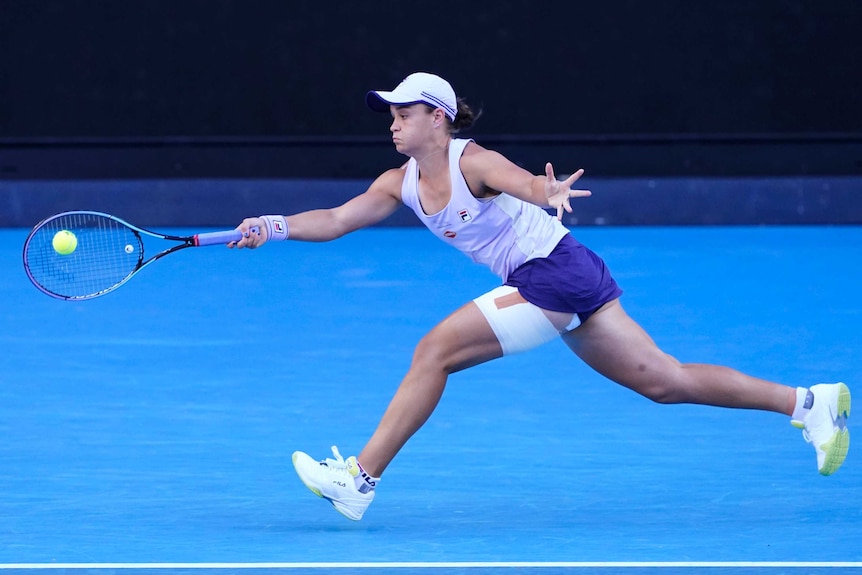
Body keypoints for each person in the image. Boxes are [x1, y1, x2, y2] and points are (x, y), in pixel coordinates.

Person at [231, 72, 851, 521]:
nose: (392, 122)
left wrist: (544, 193)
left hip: (552, 270)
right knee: (663, 380)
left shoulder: (473, 160)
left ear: (437, 118)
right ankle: (808, 403)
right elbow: (338, 219)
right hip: (563, 274)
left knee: (435, 351)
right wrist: (274, 225)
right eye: (389, 114)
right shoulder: (400, 182)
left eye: (404, 112)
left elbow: (522, 181)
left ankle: (359, 480)